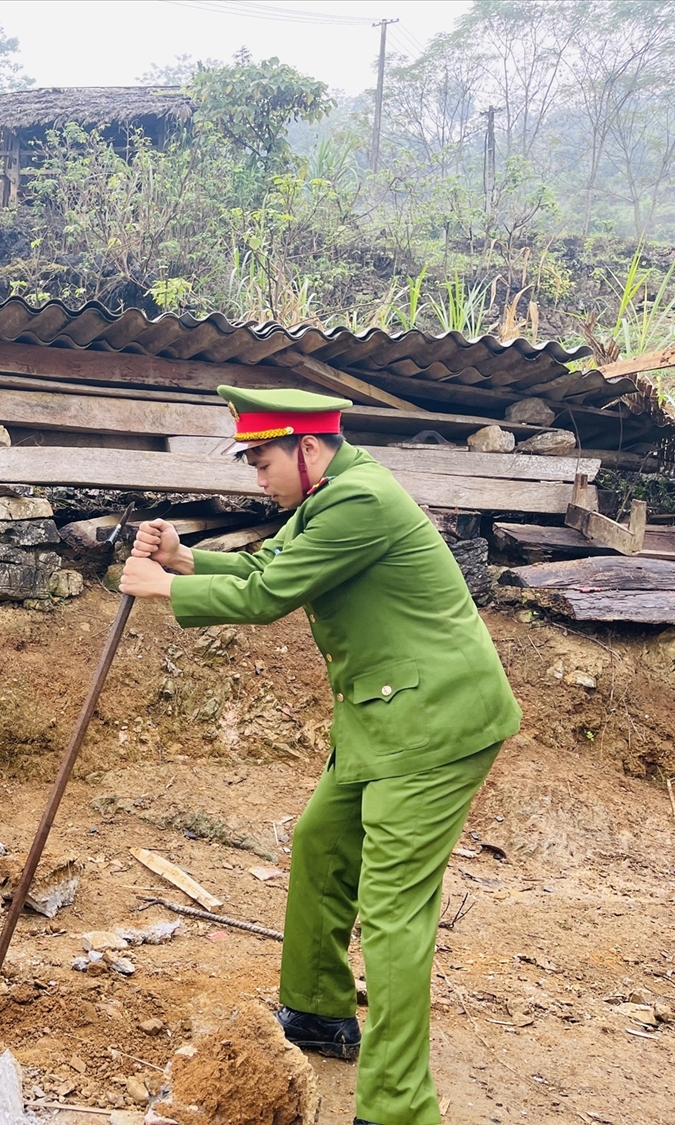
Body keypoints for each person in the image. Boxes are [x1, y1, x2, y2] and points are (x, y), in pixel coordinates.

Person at [118, 386, 521, 1125]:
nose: (255, 476)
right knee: (319, 841)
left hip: (435, 724)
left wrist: (163, 588)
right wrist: (185, 557)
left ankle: (397, 1105)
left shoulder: (360, 502)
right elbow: (265, 568)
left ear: (307, 448)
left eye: (262, 460)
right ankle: (316, 1010)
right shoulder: (326, 500)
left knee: (395, 909)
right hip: (383, 715)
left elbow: (269, 594)